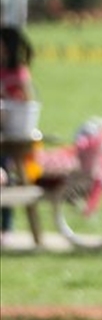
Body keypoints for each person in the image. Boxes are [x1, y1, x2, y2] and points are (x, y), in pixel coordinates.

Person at [1, 25, 37, 244]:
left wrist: (7, 93)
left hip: (13, 131)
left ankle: (6, 225)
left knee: (6, 173)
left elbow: (27, 100)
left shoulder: (19, 72)